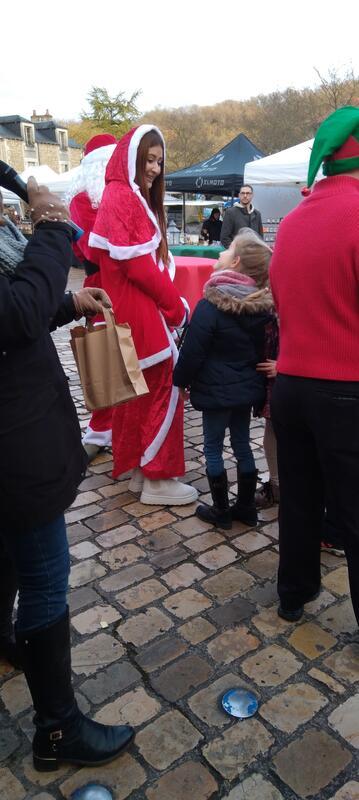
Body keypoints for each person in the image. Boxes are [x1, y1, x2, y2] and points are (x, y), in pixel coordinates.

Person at [0, 177, 134, 769]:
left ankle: (6, 643)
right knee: (47, 573)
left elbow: (17, 310)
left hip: (16, 439)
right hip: (15, 447)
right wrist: (53, 228)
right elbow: (16, 313)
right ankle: (58, 729)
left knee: (7, 557)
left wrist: (67, 302)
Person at [270, 105, 359, 625]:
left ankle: (293, 594)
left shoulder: (296, 218)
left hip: (293, 383)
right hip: (346, 387)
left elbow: (279, 295)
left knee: (300, 501)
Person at [89, 125, 197, 505]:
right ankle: (158, 478)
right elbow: (140, 269)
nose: (154, 168)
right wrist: (177, 307)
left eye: (159, 161)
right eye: (148, 159)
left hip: (127, 318)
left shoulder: (117, 196)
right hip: (142, 319)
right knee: (163, 392)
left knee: (139, 397)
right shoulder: (125, 199)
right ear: (132, 158)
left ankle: (139, 470)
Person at [173, 229, 274, 529]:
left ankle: (221, 511)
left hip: (216, 392)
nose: (220, 253)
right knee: (242, 444)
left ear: (236, 262)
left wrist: (180, 382)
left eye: (227, 249)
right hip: (244, 392)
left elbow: (192, 351)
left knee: (213, 447)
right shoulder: (261, 307)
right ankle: (246, 508)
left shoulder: (210, 306)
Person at [70, 133, 117, 462]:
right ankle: (101, 429)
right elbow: (91, 249)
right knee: (101, 360)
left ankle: (123, 426)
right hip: (102, 288)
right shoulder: (84, 201)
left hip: (120, 286)